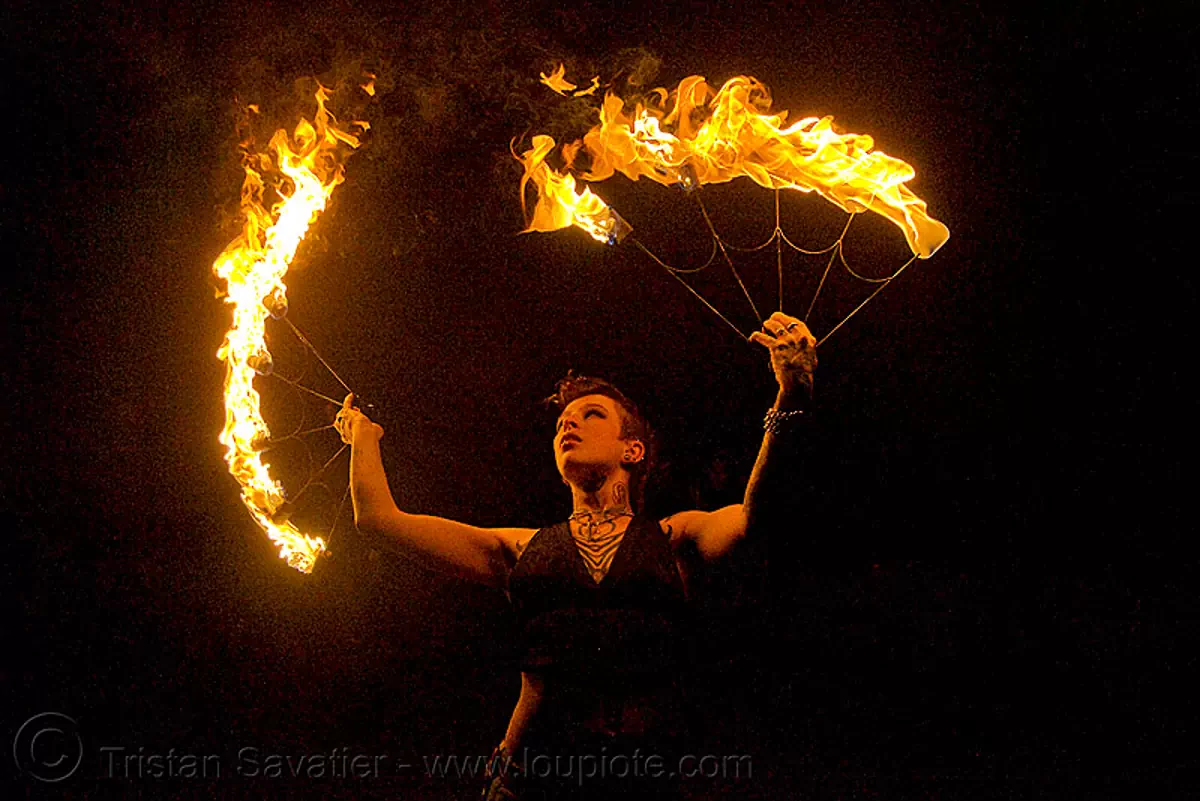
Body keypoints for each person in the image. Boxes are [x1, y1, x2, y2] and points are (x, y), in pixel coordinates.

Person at [334, 311, 817, 799]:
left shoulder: (677, 536)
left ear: (633, 451)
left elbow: (758, 520)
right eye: (564, 421)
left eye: (592, 416)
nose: (570, 425)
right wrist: (364, 438)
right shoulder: (519, 547)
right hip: (529, 785)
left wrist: (790, 397)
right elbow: (379, 522)